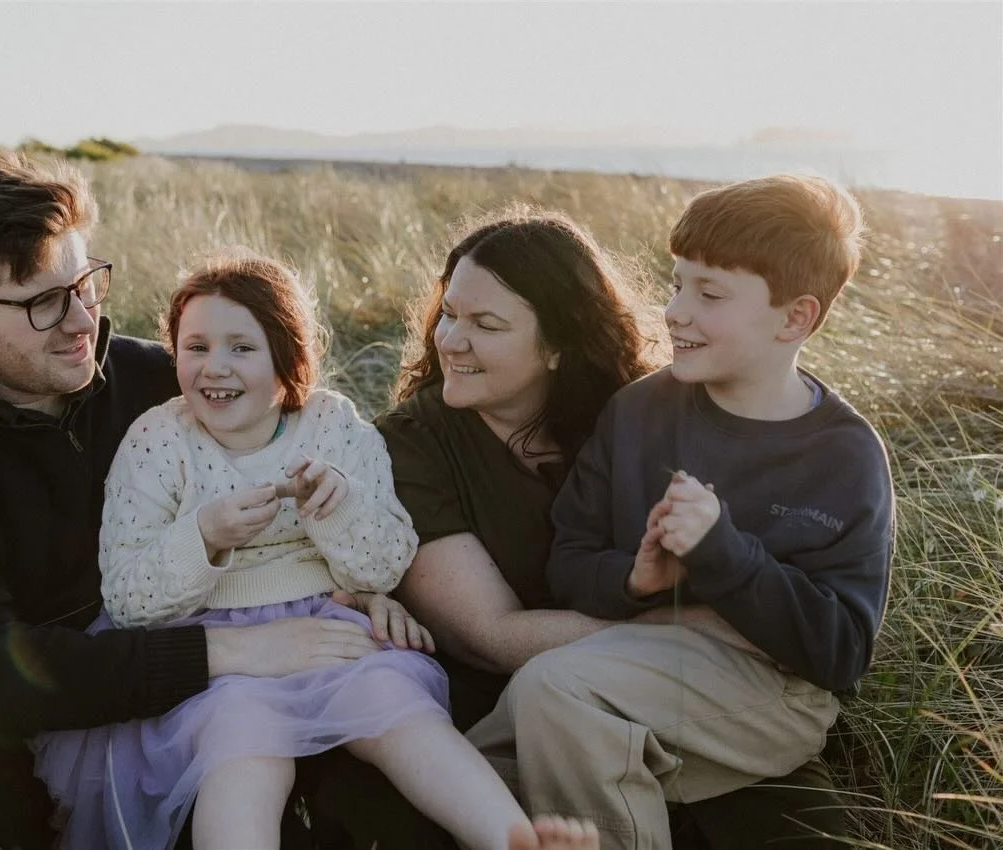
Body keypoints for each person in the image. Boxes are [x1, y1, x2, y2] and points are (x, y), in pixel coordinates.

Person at [0, 150, 435, 850]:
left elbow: (310, 455)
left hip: (189, 643)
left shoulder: (166, 383)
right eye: (42, 302)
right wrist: (232, 650)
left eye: (86, 284)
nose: (81, 320)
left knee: (372, 799)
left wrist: (352, 590)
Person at [321, 208, 860, 850]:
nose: (451, 340)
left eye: (485, 324)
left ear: (558, 346)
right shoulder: (409, 447)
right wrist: (698, 631)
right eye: (449, 313)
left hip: (680, 704)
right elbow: (489, 637)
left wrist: (736, 634)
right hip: (519, 705)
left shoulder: (634, 414)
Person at [31, 253, 600, 850]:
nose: (214, 368)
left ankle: (512, 838)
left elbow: (384, 565)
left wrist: (339, 508)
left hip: (328, 623)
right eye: (195, 348)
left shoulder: (333, 425)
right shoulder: (157, 439)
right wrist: (203, 535)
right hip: (213, 652)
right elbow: (127, 599)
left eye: (241, 348)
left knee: (398, 709)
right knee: (246, 740)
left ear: (287, 357)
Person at [489, 176, 895, 850]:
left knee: (550, 694)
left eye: (709, 294)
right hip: (634, 657)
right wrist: (639, 580)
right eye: (677, 283)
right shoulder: (639, 411)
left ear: (794, 318)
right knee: (471, 765)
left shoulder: (842, 456)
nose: (675, 311)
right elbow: (570, 558)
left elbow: (840, 652)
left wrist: (724, 552)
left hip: (775, 695)